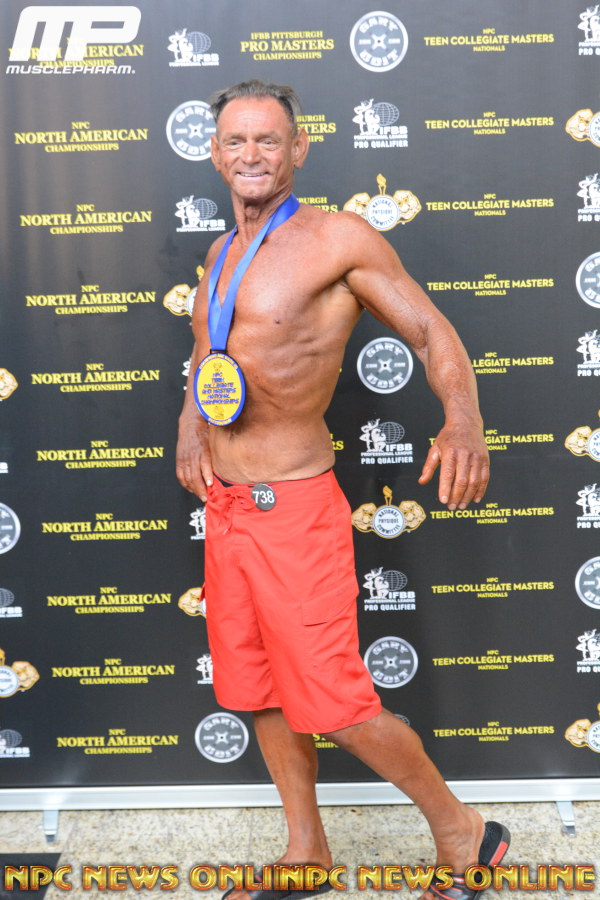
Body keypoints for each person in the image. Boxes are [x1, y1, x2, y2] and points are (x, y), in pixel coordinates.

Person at [176, 79, 509, 900]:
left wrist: (462, 419)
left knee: (334, 702)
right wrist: (189, 424)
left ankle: (466, 832)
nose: (251, 154)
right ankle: (306, 853)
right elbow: (210, 357)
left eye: (268, 139)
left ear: (298, 148)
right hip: (229, 510)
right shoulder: (219, 255)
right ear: (214, 152)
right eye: (235, 140)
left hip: (294, 508)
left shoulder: (338, 240)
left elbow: (431, 331)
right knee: (258, 690)